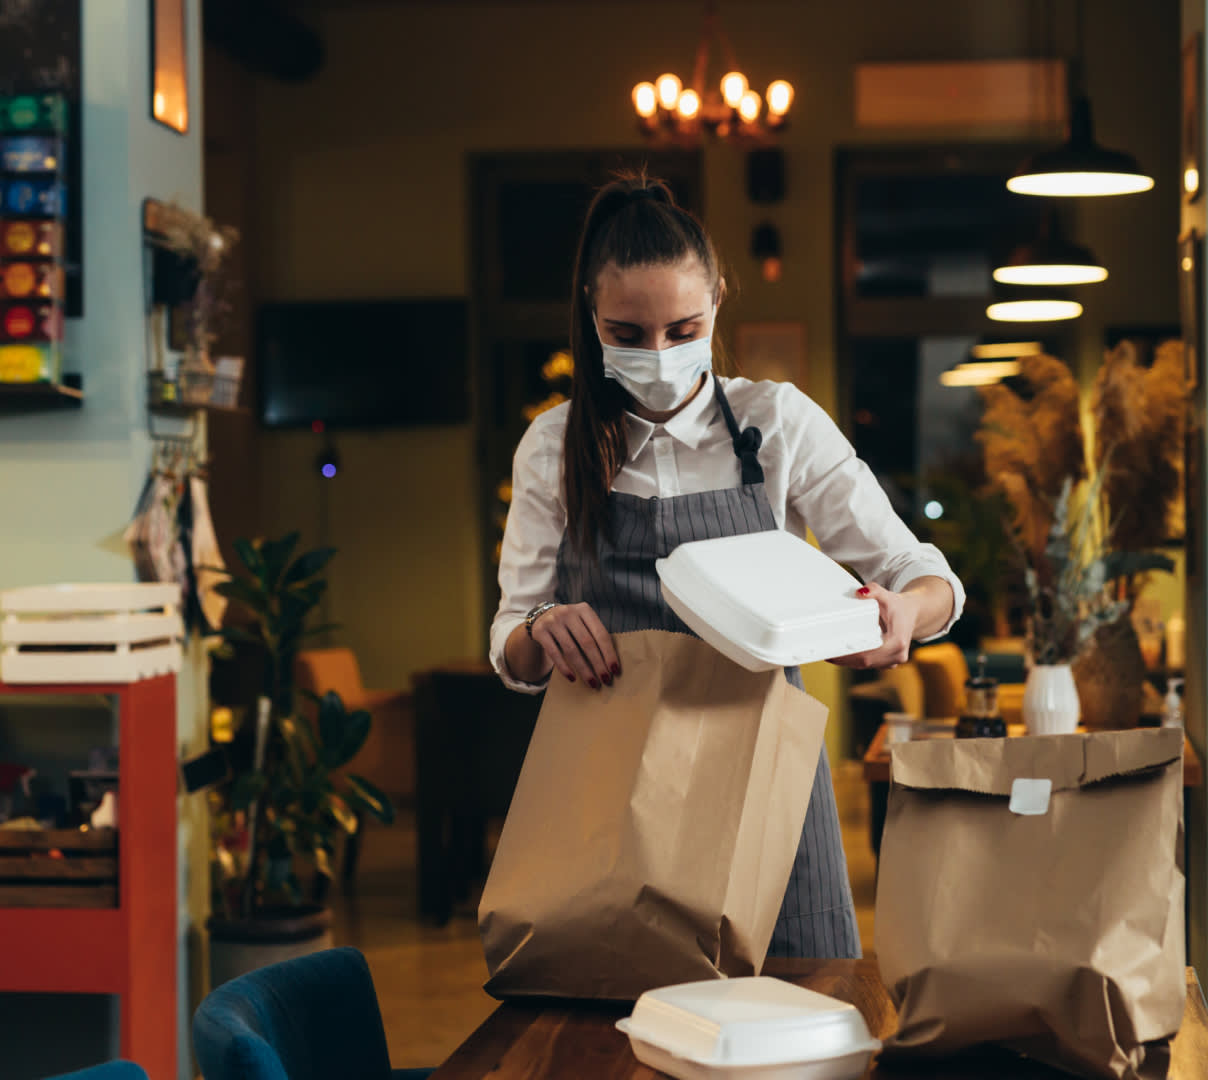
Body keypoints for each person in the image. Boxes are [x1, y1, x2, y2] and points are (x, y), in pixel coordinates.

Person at [489, 172, 964, 958]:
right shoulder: (553, 446)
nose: (660, 355)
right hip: (614, 791)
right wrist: (542, 628)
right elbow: (511, 635)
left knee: (804, 1013)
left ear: (718, 298)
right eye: (628, 335)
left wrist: (902, 613)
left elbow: (926, 572)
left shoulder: (776, 423)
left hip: (769, 790)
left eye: (683, 329)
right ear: (589, 313)